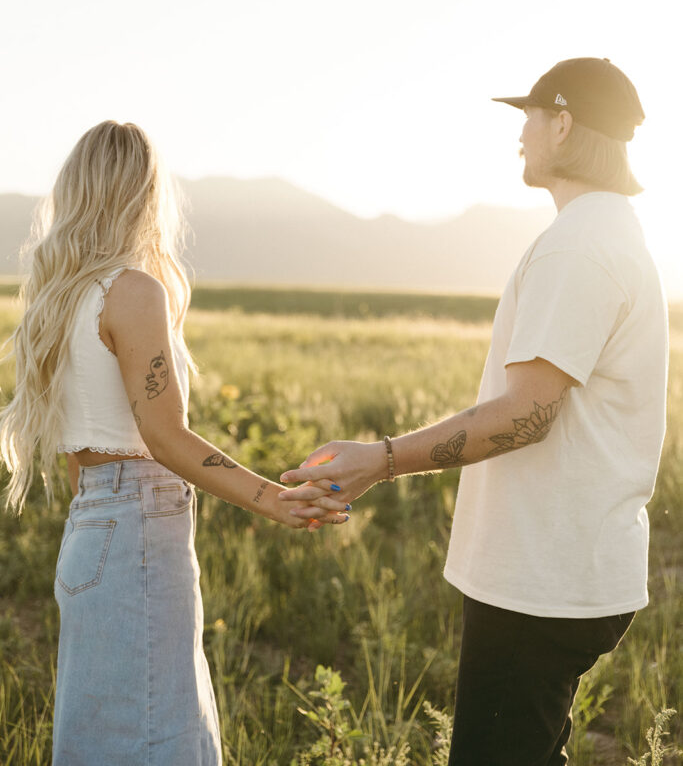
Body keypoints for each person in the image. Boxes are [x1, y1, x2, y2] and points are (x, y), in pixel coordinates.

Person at [278, 58, 669, 766]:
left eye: (527, 117)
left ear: (561, 122)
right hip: (564, 569)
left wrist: (382, 459)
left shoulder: (578, 246)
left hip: (541, 578)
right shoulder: (611, 232)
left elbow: (524, 414)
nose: (518, 135)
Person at [0, 121, 348, 766]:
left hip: (90, 531)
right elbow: (164, 437)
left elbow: (82, 464)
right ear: (145, 194)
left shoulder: (64, 295)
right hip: (133, 527)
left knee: (106, 738)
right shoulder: (132, 290)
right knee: (160, 740)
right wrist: (272, 498)